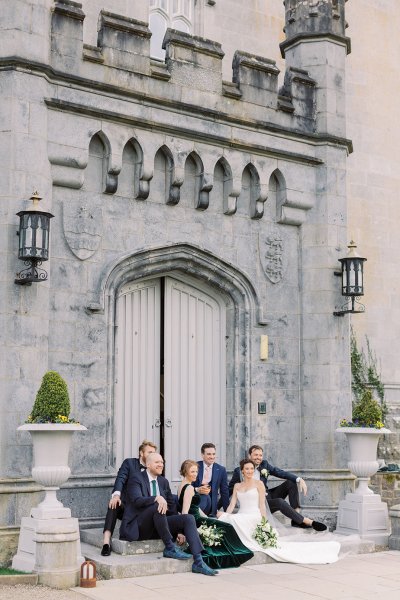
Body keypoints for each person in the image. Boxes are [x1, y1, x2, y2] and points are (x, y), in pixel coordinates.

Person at [220, 459, 340, 564]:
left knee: (288, 488)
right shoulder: (237, 485)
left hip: (255, 512)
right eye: (247, 469)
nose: (250, 471)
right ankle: (300, 519)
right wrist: (226, 513)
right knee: (226, 517)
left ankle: (299, 519)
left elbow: (262, 505)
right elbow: (232, 504)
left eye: (251, 468)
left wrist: (264, 522)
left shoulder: (260, 481)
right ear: (242, 470)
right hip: (243, 513)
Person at [119, 452, 218, 576]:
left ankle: (198, 562)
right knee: (157, 504)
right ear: (148, 465)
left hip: (159, 525)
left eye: (162, 462)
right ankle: (170, 548)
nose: (161, 465)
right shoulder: (136, 478)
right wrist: (157, 498)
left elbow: (171, 508)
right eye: (157, 462)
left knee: (188, 518)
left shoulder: (163, 481)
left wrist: (180, 531)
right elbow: (136, 501)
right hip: (140, 526)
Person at [229, 444, 326, 531]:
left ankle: (296, 519)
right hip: (258, 504)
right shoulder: (239, 471)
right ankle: (304, 520)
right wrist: (219, 509)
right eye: (255, 455)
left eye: (260, 455)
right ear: (250, 456)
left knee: (291, 482)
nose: (258, 457)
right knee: (279, 502)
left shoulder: (264, 465)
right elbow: (229, 490)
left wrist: (299, 479)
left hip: (268, 495)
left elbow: (280, 472)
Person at [178, 459, 253, 569]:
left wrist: (207, 518)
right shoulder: (189, 488)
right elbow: (185, 512)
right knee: (227, 526)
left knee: (219, 524)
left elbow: (194, 508)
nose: (195, 474)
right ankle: (237, 553)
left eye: (196, 471)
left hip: (197, 517)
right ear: (185, 472)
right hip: (195, 520)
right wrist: (182, 531)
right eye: (192, 472)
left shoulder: (183, 485)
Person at [101, 440, 157, 556]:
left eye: (154, 453)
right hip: (127, 507)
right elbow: (120, 478)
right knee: (114, 503)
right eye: (149, 452)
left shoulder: (154, 467)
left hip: (142, 510)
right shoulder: (130, 463)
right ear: (141, 453)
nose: (152, 455)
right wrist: (116, 495)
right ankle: (106, 542)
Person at [193, 443, 230, 516]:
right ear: (202, 455)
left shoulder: (221, 470)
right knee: (203, 497)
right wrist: (197, 489)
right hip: (196, 501)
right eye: (209, 454)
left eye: (213, 454)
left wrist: (227, 513)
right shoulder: (195, 466)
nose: (212, 457)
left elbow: (224, 492)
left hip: (212, 507)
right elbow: (187, 485)